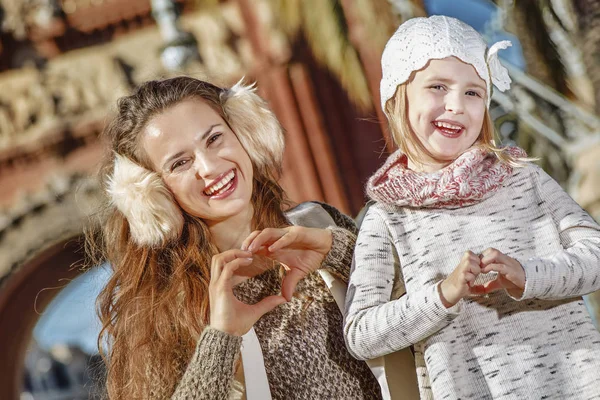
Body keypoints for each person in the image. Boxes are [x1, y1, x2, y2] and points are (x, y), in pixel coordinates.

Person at [343, 15, 600, 400]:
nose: (456, 106)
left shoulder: (522, 177)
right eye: (437, 87)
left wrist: (527, 274)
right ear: (398, 98)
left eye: (473, 92)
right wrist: (442, 295)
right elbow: (361, 333)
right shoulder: (388, 217)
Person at [86, 76, 382, 399]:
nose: (209, 166)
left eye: (214, 138)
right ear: (150, 197)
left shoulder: (320, 223)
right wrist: (221, 338)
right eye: (180, 163)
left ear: (243, 131)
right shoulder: (162, 316)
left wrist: (338, 251)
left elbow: (421, 305)